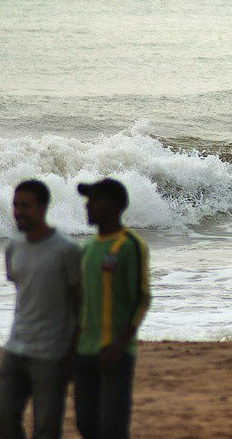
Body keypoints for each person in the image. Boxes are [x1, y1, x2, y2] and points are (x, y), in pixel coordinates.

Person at [0, 180, 81, 439]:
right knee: (3, 417)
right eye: (15, 205)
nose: (19, 211)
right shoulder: (14, 246)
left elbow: (80, 304)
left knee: (46, 428)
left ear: (43, 207)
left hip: (51, 354)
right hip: (15, 348)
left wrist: (72, 352)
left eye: (26, 206)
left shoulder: (67, 250)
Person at [75, 178, 151, 439]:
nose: (87, 207)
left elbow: (142, 299)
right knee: (86, 423)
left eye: (93, 201)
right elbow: (81, 302)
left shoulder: (130, 245)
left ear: (113, 205)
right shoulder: (88, 249)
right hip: (85, 350)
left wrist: (119, 344)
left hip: (115, 352)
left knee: (113, 428)